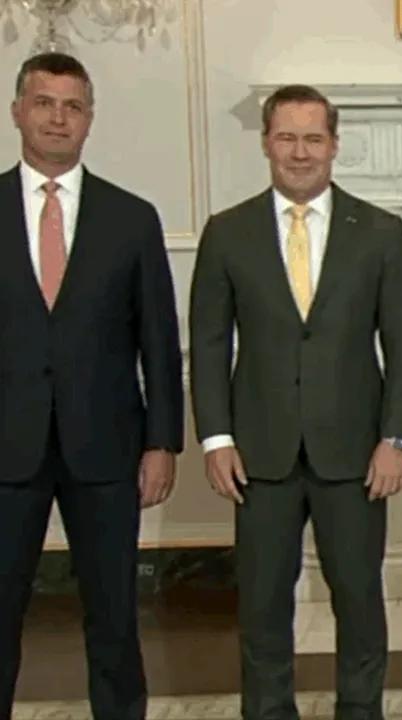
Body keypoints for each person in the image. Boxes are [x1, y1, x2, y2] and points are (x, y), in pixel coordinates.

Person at [187, 84, 402, 720]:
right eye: (287, 138)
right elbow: (208, 344)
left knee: (359, 599)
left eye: (313, 139)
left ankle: (360, 711)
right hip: (257, 455)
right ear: (266, 143)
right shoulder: (227, 232)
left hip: (356, 453)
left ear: (334, 145)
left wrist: (395, 438)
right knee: (262, 603)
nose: (300, 152)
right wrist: (216, 438)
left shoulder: (381, 232)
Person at [0, 52, 184, 720]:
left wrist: (162, 442)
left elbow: (158, 340)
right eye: (44, 103)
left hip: (106, 449)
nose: (58, 118)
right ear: (17, 111)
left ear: (90, 118)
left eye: (72, 106)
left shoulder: (130, 218)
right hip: (6, 450)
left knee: (113, 619)